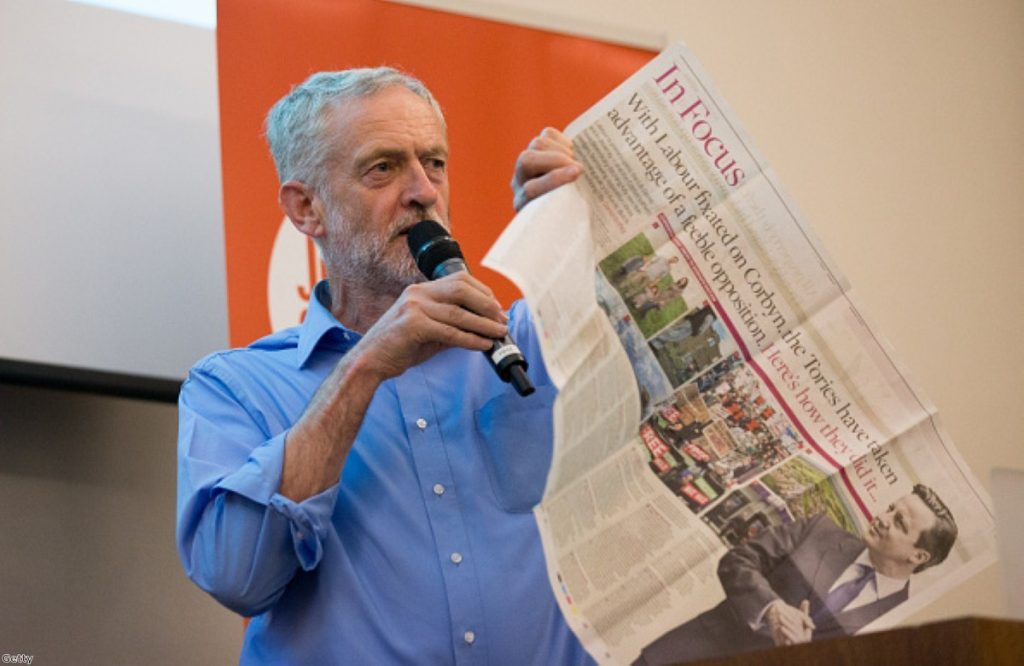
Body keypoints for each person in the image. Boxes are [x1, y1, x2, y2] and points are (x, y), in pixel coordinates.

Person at [176, 67, 590, 664]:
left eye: (435, 163)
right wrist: (366, 365)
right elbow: (238, 577)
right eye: (384, 168)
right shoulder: (234, 388)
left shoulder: (535, 337)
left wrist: (574, 227)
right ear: (306, 207)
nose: (423, 190)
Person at [634, 484, 958, 665]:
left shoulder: (901, 625)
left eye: (899, 522)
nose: (883, 518)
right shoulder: (818, 531)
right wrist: (771, 608)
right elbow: (738, 561)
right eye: (891, 508)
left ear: (918, 556)